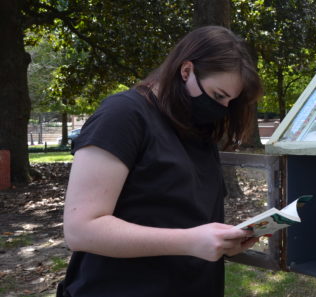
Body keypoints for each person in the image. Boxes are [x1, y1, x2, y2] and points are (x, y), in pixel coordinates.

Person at [58, 26, 263, 297]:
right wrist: (189, 242)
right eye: (217, 96)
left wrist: (222, 240)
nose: (221, 109)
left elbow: (189, 217)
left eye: (229, 101)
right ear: (186, 70)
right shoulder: (122, 115)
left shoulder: (197, 129)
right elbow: (81, 229)